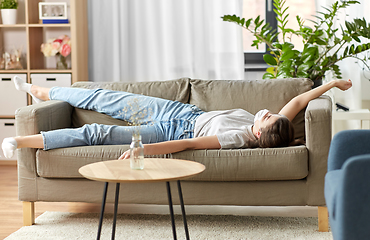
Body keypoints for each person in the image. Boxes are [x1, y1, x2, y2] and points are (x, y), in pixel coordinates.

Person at [1, 76, 352, 160]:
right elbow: (299, 99)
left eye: (265, 117)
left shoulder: (238, 138)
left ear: (259, 134)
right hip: (178, 111)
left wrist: (144, 151)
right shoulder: (275, 124)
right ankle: (46, 92)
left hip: (169, 129)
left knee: (97, 134)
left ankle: (19, 142)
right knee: (105, 97)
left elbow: (189, 143)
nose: (266, 111)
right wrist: (333, 83)